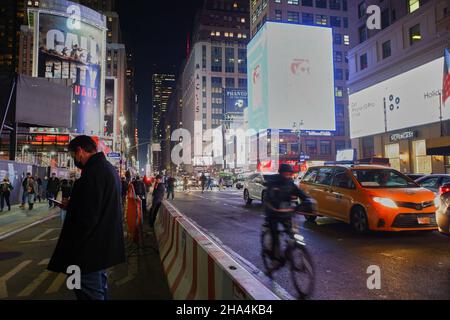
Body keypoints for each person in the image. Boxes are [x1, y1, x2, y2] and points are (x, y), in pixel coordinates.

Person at [48, 135, 126, 300]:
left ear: (80, 151)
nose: (74, 159)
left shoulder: (92, 174)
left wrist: (72, 250)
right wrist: (74, 204)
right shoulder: (108, 169)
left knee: (87, 292)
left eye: (72, 155)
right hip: (101, 248)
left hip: (87, 252)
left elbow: (87, 217)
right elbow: (97, 205)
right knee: (97, 290)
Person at [264, 164, 315, 263]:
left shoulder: (290, 184)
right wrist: (274, 208)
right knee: (275, 234)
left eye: (289, 173)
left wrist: (308, 200)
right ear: (281, 173)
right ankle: (274, 257)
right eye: (285, 173)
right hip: (272, 213)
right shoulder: (273, 183)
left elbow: (300, 193)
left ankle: (291, 250)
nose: (287, 175)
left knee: (292, 233)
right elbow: (269, 198)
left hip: (286, 213)